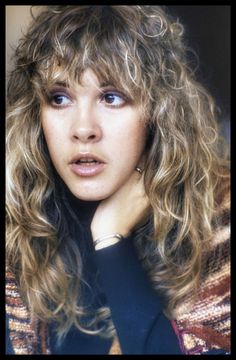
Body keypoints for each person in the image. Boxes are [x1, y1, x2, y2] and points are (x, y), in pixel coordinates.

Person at [6, 5, 230, 355]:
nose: (83, 130)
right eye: (59, 98)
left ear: (159, 112)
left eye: (111, 97)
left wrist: (111, 239)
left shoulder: (220, 220)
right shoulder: (16, 228)